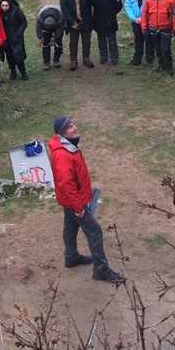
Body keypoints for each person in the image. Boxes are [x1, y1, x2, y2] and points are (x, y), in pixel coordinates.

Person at [49, 116, 124, 283]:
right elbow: (66, 184)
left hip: (72, 200)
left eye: (73, 124)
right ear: (62, 132)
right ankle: (101, 270)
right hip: (75, 200)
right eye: (70, 127)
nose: (74, 128)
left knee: (70, 226)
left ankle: (71, 257)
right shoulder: (63, 154)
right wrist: (78, 207)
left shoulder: (67, 146)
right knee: (94, 231)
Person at [141, 0, 175, 75]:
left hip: (166, 28)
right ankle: (161, 65)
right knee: (158, 49)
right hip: (153, 28)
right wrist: (144, 27)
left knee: (166, 49)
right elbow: (145, 14)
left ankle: (169, 67)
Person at [60, 0, 93, 70]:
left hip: (86, 20)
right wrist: (71, 22)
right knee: (73, 42)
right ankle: (73, 61)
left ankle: (86, 58)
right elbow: (64, 7)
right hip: (73, 21)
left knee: (86, 41)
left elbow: (93, 3)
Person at [90, 0, 122, 66]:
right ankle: (103, 57)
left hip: (110, 21)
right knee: (101, 40)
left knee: (112, 40)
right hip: (98, 21)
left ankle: (114, 58)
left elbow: (119, 6)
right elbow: (90, 3)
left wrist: (112, 13)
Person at [124, 0, 153, 67]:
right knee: (138, 40)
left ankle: (150, 59)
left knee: (149, 41)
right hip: (136, 21)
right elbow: (128, 6)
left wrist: (145, 19)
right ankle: (137, 59)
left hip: (148, 22)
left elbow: (153, 8)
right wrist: (134, 18)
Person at [0, 0, 29, 80]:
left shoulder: (16, 11)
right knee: (9, 56)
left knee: (19, 56)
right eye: (3, 6)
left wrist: (18, 34)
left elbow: (23, 23)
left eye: (6, 6)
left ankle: (23, 72)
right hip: (6, 39)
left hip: (16, 38)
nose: (4, 8)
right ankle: (13, 71)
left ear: (10, 5)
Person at [36, 4, 64, 69]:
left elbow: (60, 29)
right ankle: (46, 62)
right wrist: (40, 37)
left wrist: (55, 38)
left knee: (58, 43)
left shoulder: (60, 17)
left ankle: (56, 60)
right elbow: (38, 28)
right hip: (44, 28)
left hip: (57, 25)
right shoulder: (40, 18)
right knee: (45, 44)